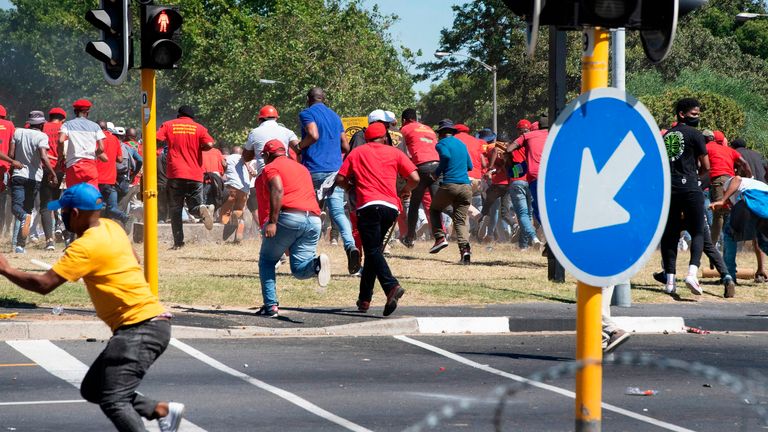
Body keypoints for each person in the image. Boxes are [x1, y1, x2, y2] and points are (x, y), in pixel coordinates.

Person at [0, 183, 185, 432]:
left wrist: (7, 269)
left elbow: (44, 285)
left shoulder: (84, 247)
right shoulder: (112, 227)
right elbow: (135, 258)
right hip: (151, 323)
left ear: (74, 213)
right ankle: (160, 410)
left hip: (139, 328)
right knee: (94, 388)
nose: (62, 216)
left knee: (114, 399)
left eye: (63, 212)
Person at [336, 122, 419, 315]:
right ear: (384, 137)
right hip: (390, 208)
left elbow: (340, 179)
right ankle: (364, 299)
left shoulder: (357, 153)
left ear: (366, 138)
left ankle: (391, 286)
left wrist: (350, 188)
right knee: (374, 251)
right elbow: (414, 178)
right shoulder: (395, 153)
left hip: (367, 206)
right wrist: (405, 190)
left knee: (372, 250)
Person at [256, 140, 331, 317]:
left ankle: (271, 306)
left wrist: (273, 222)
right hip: (313, 219)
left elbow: (277, 189)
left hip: (289, 217)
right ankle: (316, 265)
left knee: (267, 260)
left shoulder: (270, 168)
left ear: (267, 155)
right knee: (299, 270)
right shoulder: (301, 168)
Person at [295, 87, 359, 274]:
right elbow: (346, 145)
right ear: (324, 99)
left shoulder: (306, 113)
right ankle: (350, 246)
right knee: (338, 212)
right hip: (335, 171)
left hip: (313, 169)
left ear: (308, 99)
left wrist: (300, 146)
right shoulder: (335, 116)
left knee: (310, 213)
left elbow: (313, 134)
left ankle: (307, 255)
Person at [659, 98, 710, 295]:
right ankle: (692, 274)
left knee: (670, 234)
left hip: (669, 190)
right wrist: (698, 183)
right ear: (682, 113)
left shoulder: (666, 136)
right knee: (697, 231)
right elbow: (706, 167)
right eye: (694, 114)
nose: (697, 118)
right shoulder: (696, 135)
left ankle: (670, 282)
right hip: (690, 187)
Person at [157, 105, 216, 249]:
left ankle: (178, 243)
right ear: (192, 117)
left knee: (176, 209)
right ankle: (204, 208)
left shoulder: (169, 125)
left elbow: (157, 138)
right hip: (195, 175)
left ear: (178, 115)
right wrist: (199, 147)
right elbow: (210, 143)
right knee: (194, 206)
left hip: (176, 174)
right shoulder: (199, 128)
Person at [712, 175, 768, 297]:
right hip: (765, 204)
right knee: (763, 242)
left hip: (751, 199)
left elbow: (737, 179)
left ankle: (729, 276)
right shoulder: (758, 183)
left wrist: (722, 200)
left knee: (729, 235)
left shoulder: (729, 183)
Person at [9, 111, 56, 253]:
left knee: (17, 208)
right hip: (34, 177)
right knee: (27, 210)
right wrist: (53, 173)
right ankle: (19, 245)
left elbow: (11, 155)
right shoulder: (42, 136)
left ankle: (19, 244)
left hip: (18, 174)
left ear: (29, 123)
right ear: (42, 124)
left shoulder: (18, 132)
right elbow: (43, 155)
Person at [429, 119, 474, 263]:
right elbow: (470, 166)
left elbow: (446, 157)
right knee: (460, 221)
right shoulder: (462, 144)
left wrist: (437, 172)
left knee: (435, 209)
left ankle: (440, 238)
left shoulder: (441, 144)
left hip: (450, 185)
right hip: (466, 187)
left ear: (441, 134)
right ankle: (465, 251)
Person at [399, 108, 440, 247]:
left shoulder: (404, 130)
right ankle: (441, 237)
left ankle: (410, 238)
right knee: (437, 204)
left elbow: (400, 152)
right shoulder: (429, 128)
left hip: (421, 167)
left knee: (414, 204)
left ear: (404, 120)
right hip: (437, 166)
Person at [731, 137, 768, 281]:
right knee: (761, 236)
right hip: (764, 194)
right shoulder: (757, 155)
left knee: (734, 233)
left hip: (750, 196)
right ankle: (761, 270)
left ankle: (730, 272)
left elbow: (738, 177)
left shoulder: (737, 155)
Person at [706, 130, 751, 246]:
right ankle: (733, 242)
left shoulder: (708, 147)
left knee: (719, 212)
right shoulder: (729, 150)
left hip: (719, 181)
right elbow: (744, 163)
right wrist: (750, 176)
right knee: (731, 212)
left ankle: (712, 245)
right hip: (731, 183)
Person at [58, 99, 107, 188]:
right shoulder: (95, 126)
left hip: (73, 166)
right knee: (92, 196)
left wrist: (61, 156)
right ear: (87, 112)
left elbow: (61, 140)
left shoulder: (67, 124)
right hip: (90, 166)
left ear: (75, 111)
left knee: (73, 195)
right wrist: (94, 154)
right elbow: (101, 148)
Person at [40, 107, 67, 250]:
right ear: (63, 118)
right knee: (56, 202)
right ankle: (60, 227)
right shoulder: (65, 128)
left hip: (44, 167)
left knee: (45, 205)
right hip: (59, 169)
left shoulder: (42, 126)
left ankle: (49, 241)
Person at [97, 121, 128, 226]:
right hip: (110, 180)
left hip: (95, 180)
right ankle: (125, 217)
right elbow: (120, 159)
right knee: (112, 209)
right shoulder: (114, 139)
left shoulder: (94, 139)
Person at [220, 146, 255, 242]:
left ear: (231, 152)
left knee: (226, 210)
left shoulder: (227, 158)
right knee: (240, 210)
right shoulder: (245, 159)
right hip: (244, 189)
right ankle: (238, 234)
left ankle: (223, 238)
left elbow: (222, 170)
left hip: (231, 186)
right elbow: (252, 173)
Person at [0, 105, 16, 238]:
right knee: (2, 200)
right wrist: (11, 162)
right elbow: (12, 148)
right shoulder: (10, 125)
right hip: (4, 167)